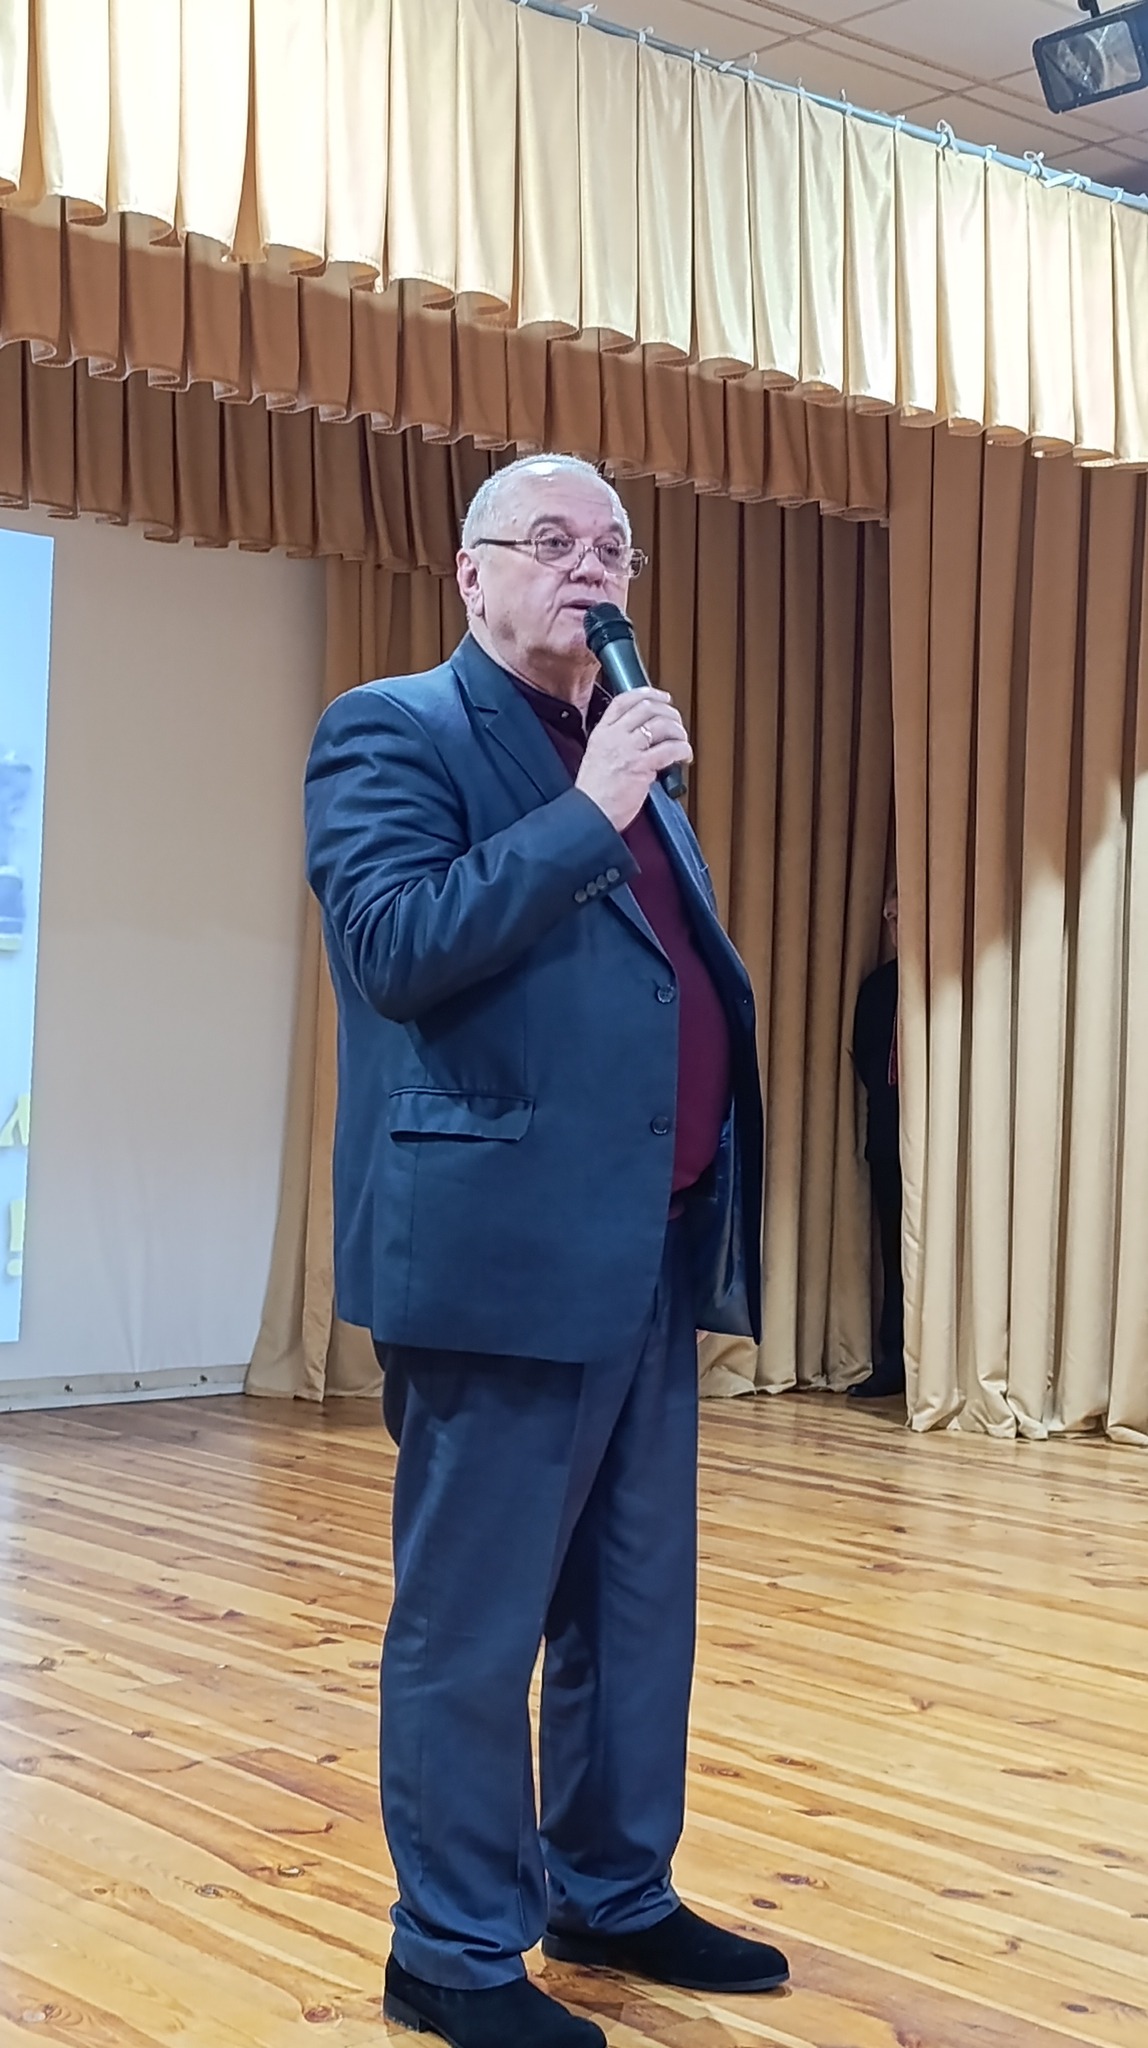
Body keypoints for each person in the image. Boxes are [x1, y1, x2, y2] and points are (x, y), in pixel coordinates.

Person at [305, 454, 789, 2048]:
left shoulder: (619, 742)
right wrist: (590, 817)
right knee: (474, 1626)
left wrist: (611, 793)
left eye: (615, 547)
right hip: (498, 1260)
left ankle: (613, 1889)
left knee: (634, 1607)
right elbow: (396, 946)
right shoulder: (397, 730)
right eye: (555, 542)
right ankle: (450, 1952)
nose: (593, 568)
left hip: (645, 1243)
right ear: (473, 573)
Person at [848, 889, 905, 1402]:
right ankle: (897, 1358)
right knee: (895, 1251)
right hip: (889, 1139)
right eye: (889, 916)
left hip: (949, 1147)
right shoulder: (880, 988)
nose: (894, 926)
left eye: (902, 915)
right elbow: (866, 1058)